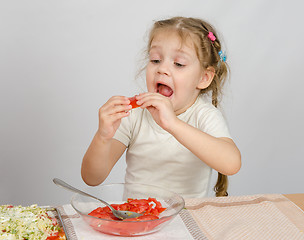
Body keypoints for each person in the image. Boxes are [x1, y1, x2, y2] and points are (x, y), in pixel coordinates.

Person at [81, 17, 241, 198]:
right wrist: (102, 137)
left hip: (187, 221)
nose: (162, 69)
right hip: (137, 219)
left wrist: (172, 124)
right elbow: (92, 178)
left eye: (178, 64)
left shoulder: (204, 116)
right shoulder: (134, 115)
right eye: (155, 60)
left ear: (204, 78)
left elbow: (231, 163)